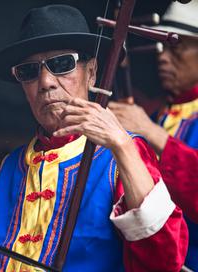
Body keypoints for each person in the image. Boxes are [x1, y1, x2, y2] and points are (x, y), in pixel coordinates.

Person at [0, 5, 188, 272]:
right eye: (29, 71)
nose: (45, 83)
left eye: (62, 65)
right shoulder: (10, 167)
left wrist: (121, 144)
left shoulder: (123, 153)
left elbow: (164, 260)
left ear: (93, 72)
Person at [109, 1, 198, 269]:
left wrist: (150, 131)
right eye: (162, 46)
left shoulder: (156, 120)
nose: (162, 55)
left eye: (177, 46)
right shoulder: (164, 111)